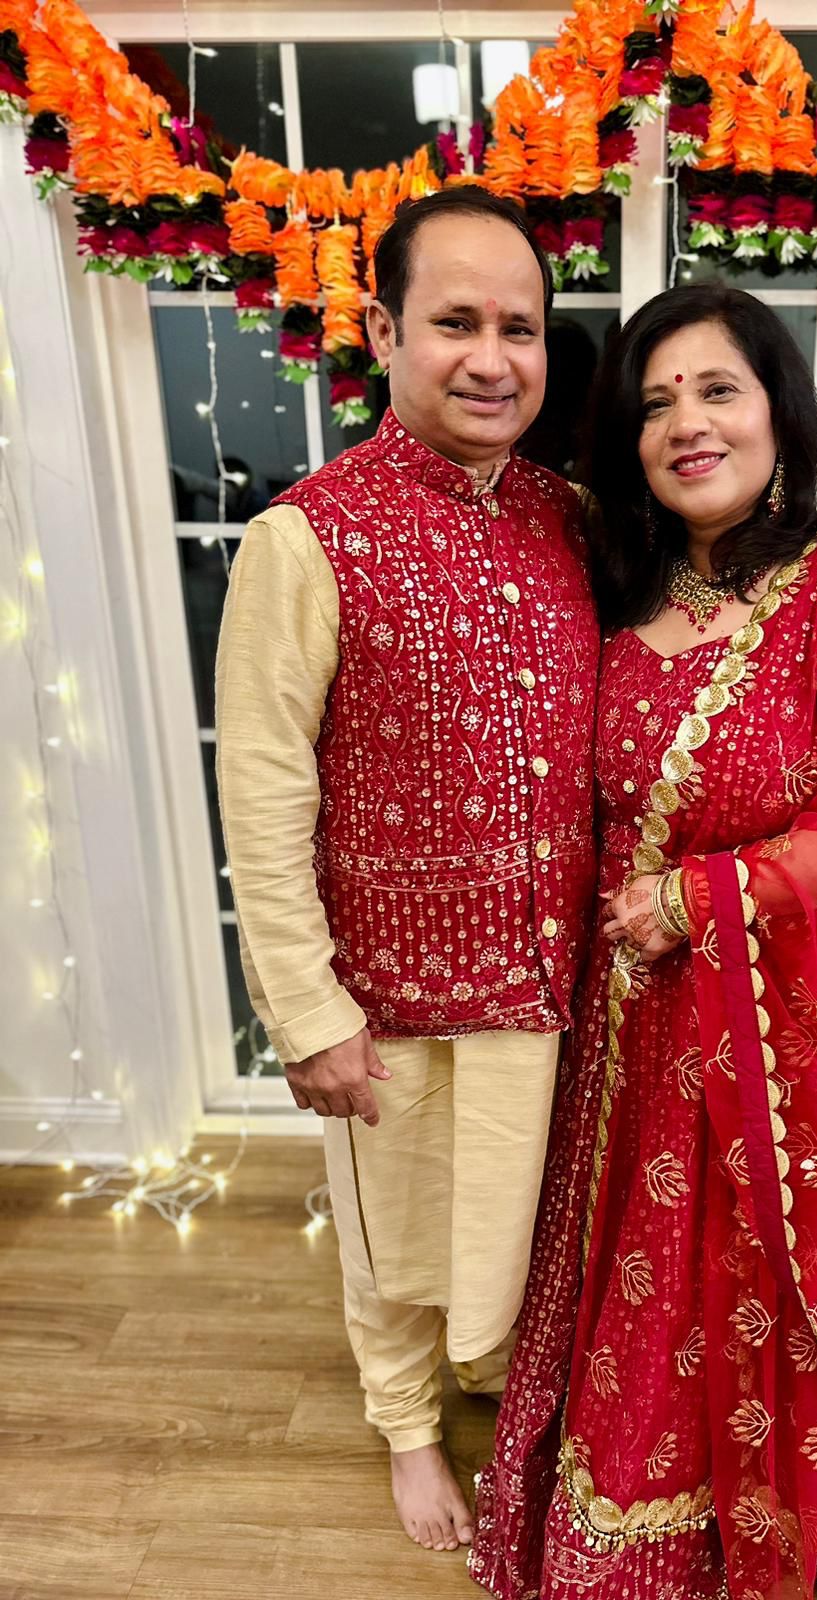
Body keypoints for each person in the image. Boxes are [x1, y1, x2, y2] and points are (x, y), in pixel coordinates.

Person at [470, 284, 817, 1600]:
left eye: (716, 390)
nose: (686, 424)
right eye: (655, 404)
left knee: (757, 1291)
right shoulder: (623, 590)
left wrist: (701, 899)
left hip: (783, 1032)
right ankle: (643, 1537)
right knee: (649, 1297)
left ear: (779, 411)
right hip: (627, 1040)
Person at [215, 188, 599, 1555]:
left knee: (525, 1225)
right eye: (456, 323)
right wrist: (306, 1011)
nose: (493, 359)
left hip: (558, 979)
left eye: (520, 328)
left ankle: (504, 1379)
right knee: (397, 1239)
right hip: (397, 994)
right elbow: (264, 787)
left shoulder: (571, 518)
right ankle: (407, 1428)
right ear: (382, 331)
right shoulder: (306, 536)